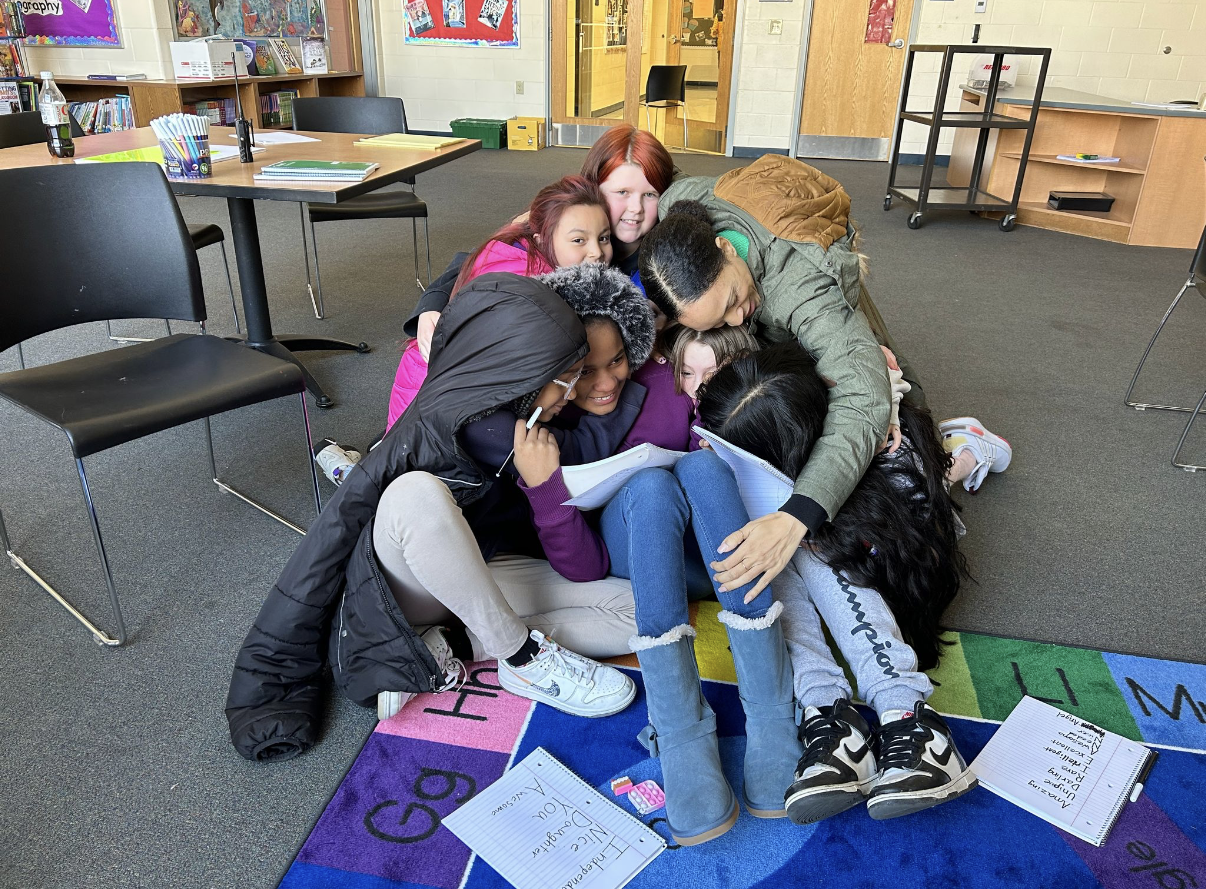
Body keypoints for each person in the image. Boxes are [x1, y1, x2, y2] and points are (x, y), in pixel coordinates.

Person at [225, 274, 640, 761]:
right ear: (524, 375)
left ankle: (459, 643)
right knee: (414, 495)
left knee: (638, 608)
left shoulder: (517, 416)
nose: (571, 393)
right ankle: (522, 656)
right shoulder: (471, 425)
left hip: (474, 577)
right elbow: (321, 553)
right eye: (566, 378)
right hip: (403, 586)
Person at [510, 264, 801, 847]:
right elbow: (583, 569)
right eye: (583, 370)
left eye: (615, 361)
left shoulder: (664, 376)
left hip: (719, 555)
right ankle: (681, 736)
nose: (603, 381)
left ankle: (771, 716)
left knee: (704, 466)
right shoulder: (542, 427)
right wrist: (545, 491)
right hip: (643, 556)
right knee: (648, 486)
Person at [639, 157, 1010, 596]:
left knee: (883, 433)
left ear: (725, 247)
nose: (737, 317)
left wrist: (798, 516)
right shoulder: (677, 209)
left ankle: (959, 447)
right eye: (718, 322)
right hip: (794, 325)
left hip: (822, 294)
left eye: (734, 300)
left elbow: (863, 395)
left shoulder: (802, 292)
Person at [695, 342, 977, 824]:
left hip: (899, 563)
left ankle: (911, 719)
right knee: (766, 549)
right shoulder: (772, 420)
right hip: (840, 538)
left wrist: (803, 526)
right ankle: (830, 716)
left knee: (815, 546)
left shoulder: (883, 448)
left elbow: (907, 544)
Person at [403, 125, 676, 362]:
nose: (636, 208)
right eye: (622, 192)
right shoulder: (560, 221)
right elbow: (480, 258)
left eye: (650, 194)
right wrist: (430, 307)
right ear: (593, 188)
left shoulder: (666, 252)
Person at [386, 176, 614, 429]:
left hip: (440, 393)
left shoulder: (518, 252)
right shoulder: (526, 292)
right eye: (579, 240)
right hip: (433, 404)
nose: (597, 252)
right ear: (542, 239)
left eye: (604, 238)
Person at [665, 324, 1010, 492]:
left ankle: (967, 451)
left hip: (865, 445)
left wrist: (886, 414)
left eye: (712, 374)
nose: (698, 387)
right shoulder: (690, 409)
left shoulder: (780, 383)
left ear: (742, 364)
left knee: (914, 494)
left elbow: (881, 369)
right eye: (687, 373)